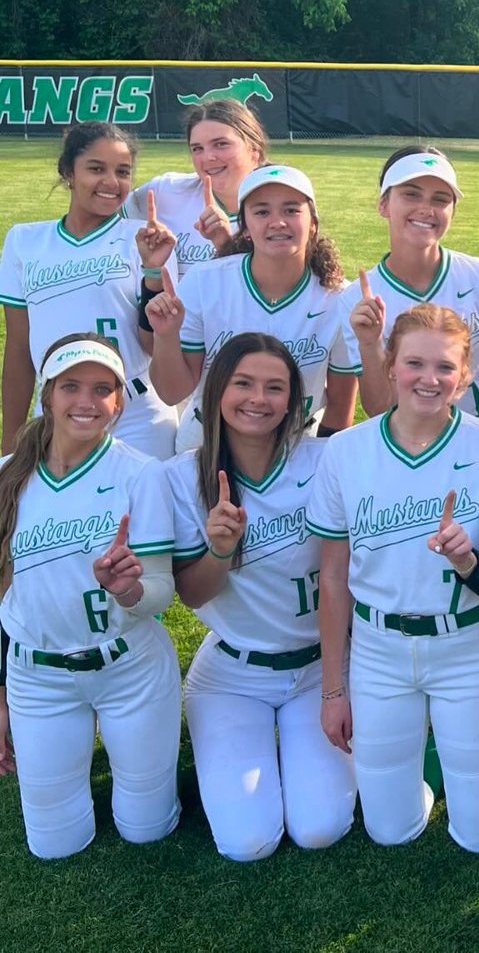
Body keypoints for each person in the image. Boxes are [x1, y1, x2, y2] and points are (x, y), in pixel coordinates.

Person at [307, 303, 479, 851]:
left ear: (463, 378)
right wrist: (334, 691)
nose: (428, 379)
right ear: (390, 368)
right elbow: (333, 581)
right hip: (379, 650)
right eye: (414, 363)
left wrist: (470, 563)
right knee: (391, 830)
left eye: (445, 368)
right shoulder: (344, 451)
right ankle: (448, 753)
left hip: (467, 645)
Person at [166, 332, 355, 862]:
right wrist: (220, 550)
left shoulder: (328, 459)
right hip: (232, 675)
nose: (258, 399)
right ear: (216, 391)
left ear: (295, 400)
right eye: (243, 383)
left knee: (320, 827)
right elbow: (191, 593)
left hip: (323, 668)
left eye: (275, 387)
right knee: (247, 842)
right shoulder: (182, 477)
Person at [0, 333, 180, 858]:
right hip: (38, 678)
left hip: (129, 670)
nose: (86, 401)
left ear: (119, 402)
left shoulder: (140, 474)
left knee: (147, 828)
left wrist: (128, 591)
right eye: (71, 386)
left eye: (103, 389)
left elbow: (160, 593)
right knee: (53, 845)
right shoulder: (8, 475)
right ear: (47, 395)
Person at [343, 145, 479, 476]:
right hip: (416, 449)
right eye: (411, 194)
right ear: (384, 204)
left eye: (440, 199)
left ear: (453, 211)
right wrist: (370, 343)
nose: (426, 209)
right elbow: (378, 408)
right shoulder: (357, 299)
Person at [144, 163, 356, 453]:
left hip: (297, 443)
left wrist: (322, 463)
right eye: (262, 211)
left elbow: (341, 407)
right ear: (244, 227)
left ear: (313, 223)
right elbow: (172, 393)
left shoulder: (339, 298)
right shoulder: (205, 282)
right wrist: (165, 337)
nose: (277, 221)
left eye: (291, 210)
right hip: (210, 439)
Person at [0, 123, 179, 459]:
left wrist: (153, 270)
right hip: (59, 412)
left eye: (123, 172)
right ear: (68, 171)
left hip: (137, 414)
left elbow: (154, 344)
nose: (112, 182)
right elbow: (20, 349)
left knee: (145, 511)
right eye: (96, 168)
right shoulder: (25, 241)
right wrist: (10, 446)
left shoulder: (148, 239)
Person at [123, 100, 269, 275]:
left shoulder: (281, 206)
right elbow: (101, 214)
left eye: (221, 144)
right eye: (197, 148)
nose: (208, 157)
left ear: (254, 149)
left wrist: (225, 244)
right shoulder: (167, 191)